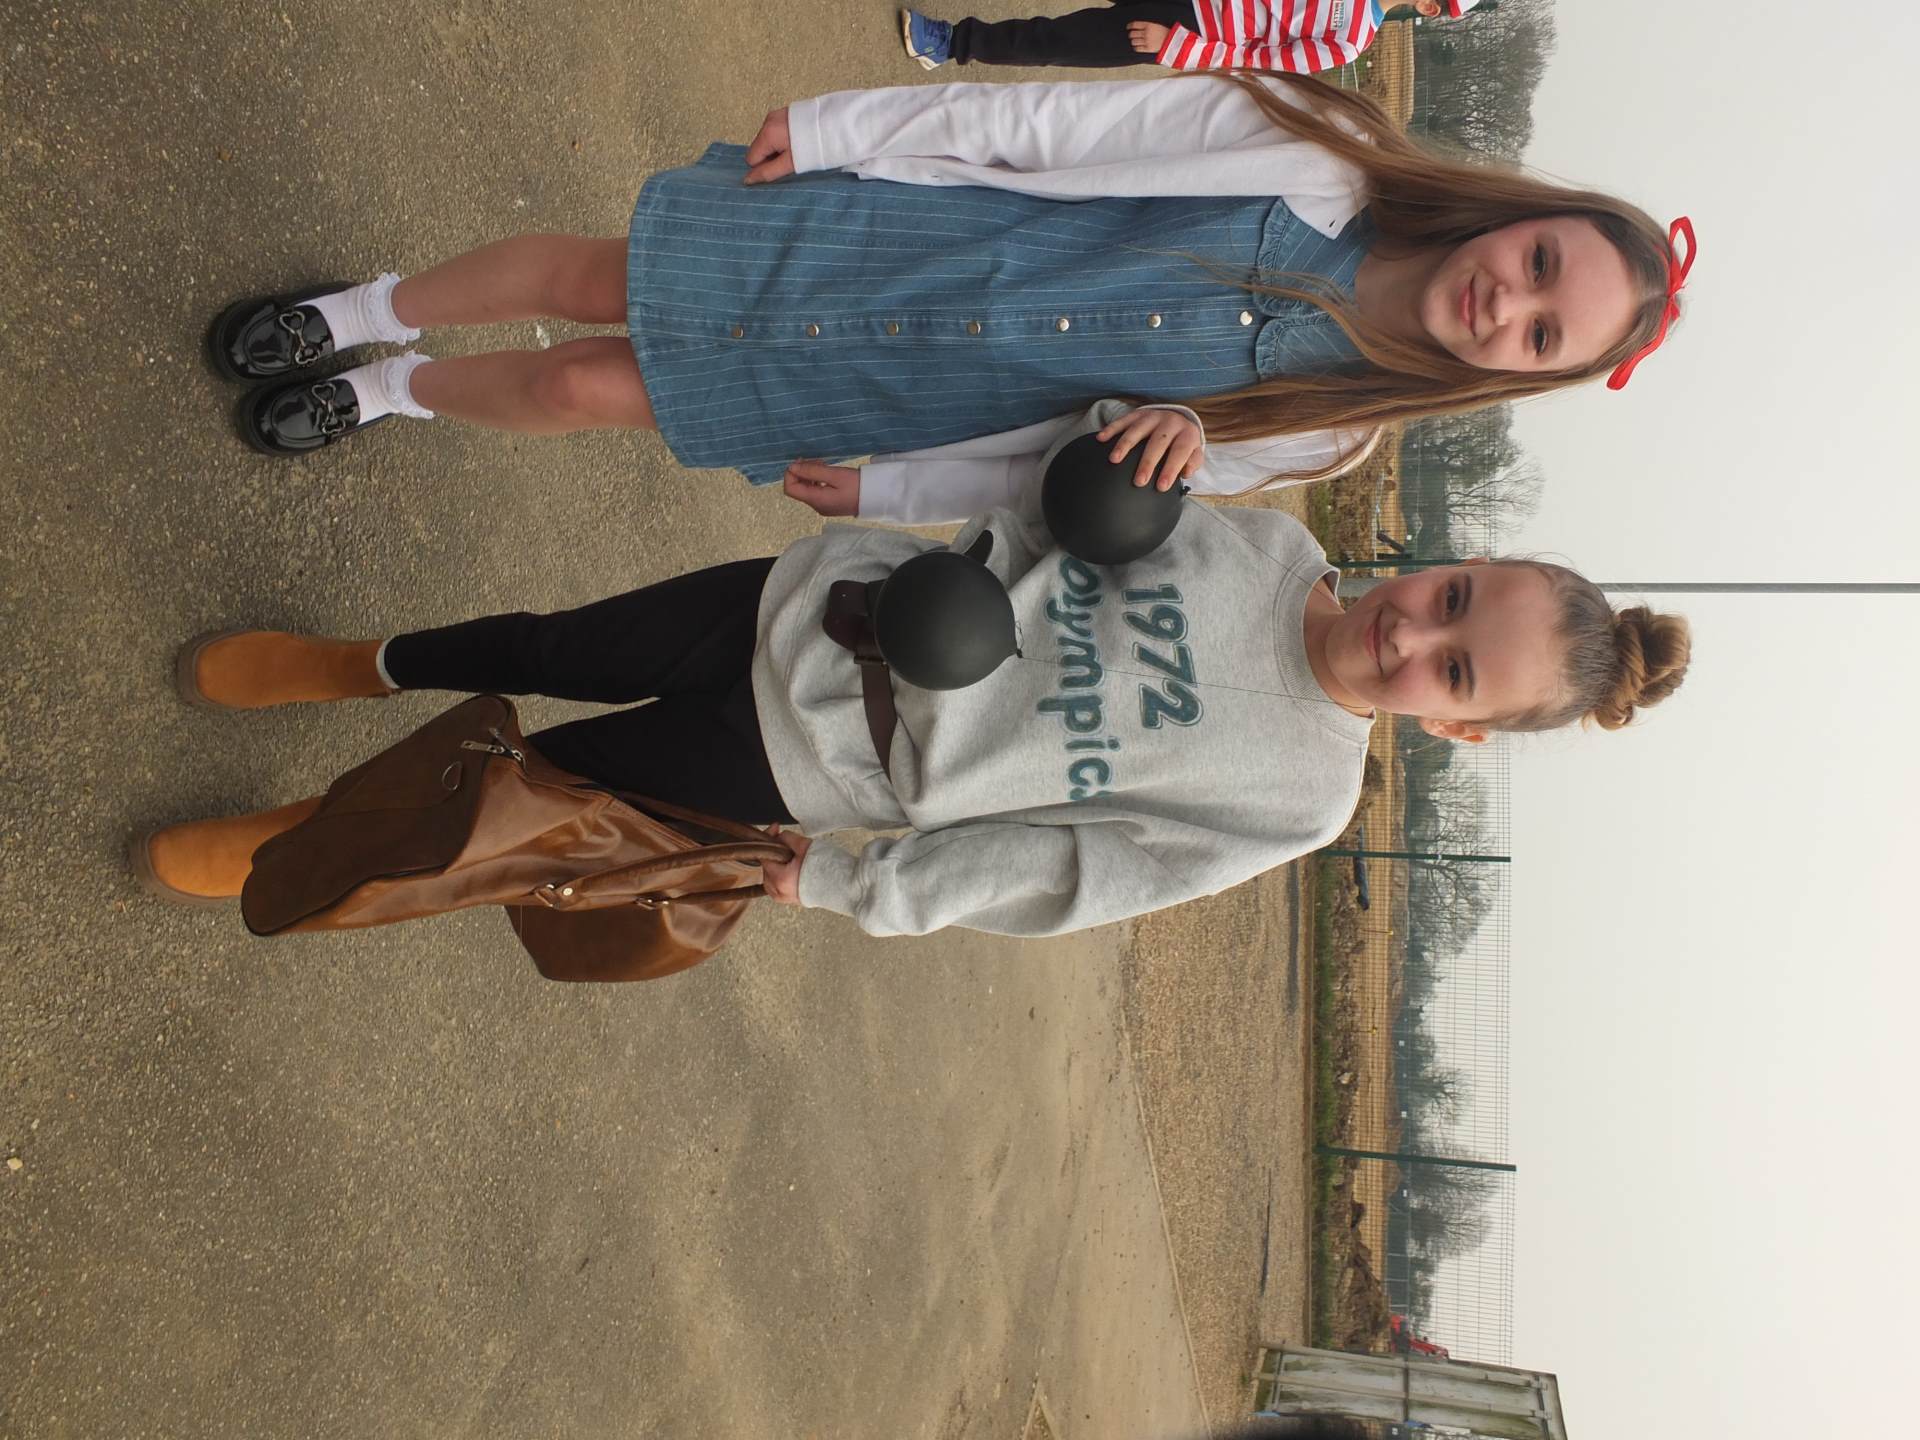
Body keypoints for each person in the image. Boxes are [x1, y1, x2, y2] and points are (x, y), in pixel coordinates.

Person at [133, 402, 1690, 939]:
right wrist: (1130, 431)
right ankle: (359, 662)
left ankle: (300, 840)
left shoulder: (1298, 798)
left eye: (1453, 673)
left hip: (819, 765)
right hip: (819, 610)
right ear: (1455, 557)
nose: (1411, 634)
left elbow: (1074, 875)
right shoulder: (1266, 543)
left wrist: (859, 887)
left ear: (1460, 731)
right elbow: (1055, 500)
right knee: (546, 645)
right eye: (1451, 596)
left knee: (530, 792)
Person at [212, 74, 1692, 503]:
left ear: (1522, 373)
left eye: (1542, 335)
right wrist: (847, 128)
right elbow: (1057, 127)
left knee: (583, 383)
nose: (1508, 304)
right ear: (1523, 215)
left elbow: (1061, 474)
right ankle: (363, 312)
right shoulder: (1324, 149)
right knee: (595, 273)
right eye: (1540, 264)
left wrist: (894, 492)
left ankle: (390, 394)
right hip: (899, 236)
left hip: (904, 389)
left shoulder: (1329, 430)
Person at [899, 1, 1478, 76]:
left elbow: (1255, 63)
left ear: (1430, 6)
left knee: (1057, 39)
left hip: (1185, 28)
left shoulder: (1350, 39)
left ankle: (947, 44)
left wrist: (1175, 45)